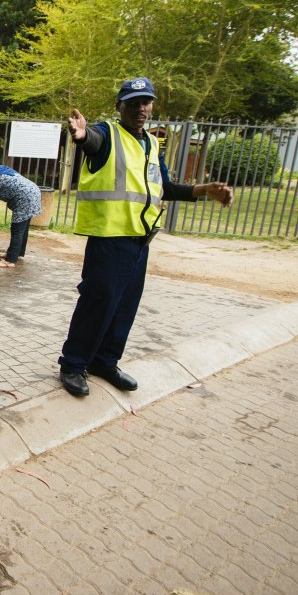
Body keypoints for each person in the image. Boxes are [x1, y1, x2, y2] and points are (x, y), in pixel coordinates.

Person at [59, 77, 233, 398]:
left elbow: (165, 186)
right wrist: (83, 137)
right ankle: (73, 364)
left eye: (147, 102)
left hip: (140, 241)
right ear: (120, 106)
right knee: (98, 302)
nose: (142, 108)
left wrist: (204, 190)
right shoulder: (108, 134)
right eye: (134, 102)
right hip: (110, 238)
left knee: (125, 305)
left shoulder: (152, 144)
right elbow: (93, 141)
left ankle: (104, 361)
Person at [0, 158, 41, 266]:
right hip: (33, 192)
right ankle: (17, 253)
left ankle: (10, 261)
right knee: (22, 228)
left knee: (17, 229)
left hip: (25, 198)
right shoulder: (2, 170)